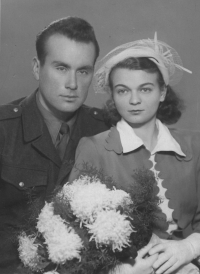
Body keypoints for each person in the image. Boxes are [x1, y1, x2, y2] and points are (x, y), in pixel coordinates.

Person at [69, 33, 200, 274]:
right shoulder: (94, 148)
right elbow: (74, 228)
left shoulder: (194, 145)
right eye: (123, 91)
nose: (135, 100)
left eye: (145, 89)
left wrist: (190, 247)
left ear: (162, 93)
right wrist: (121, 270)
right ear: (113, 96)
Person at [0, 16, 109, 273]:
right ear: (37, 68)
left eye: (83, 71)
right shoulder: (4, 129)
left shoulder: (105, 129)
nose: (72, 84)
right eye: (61, 68)